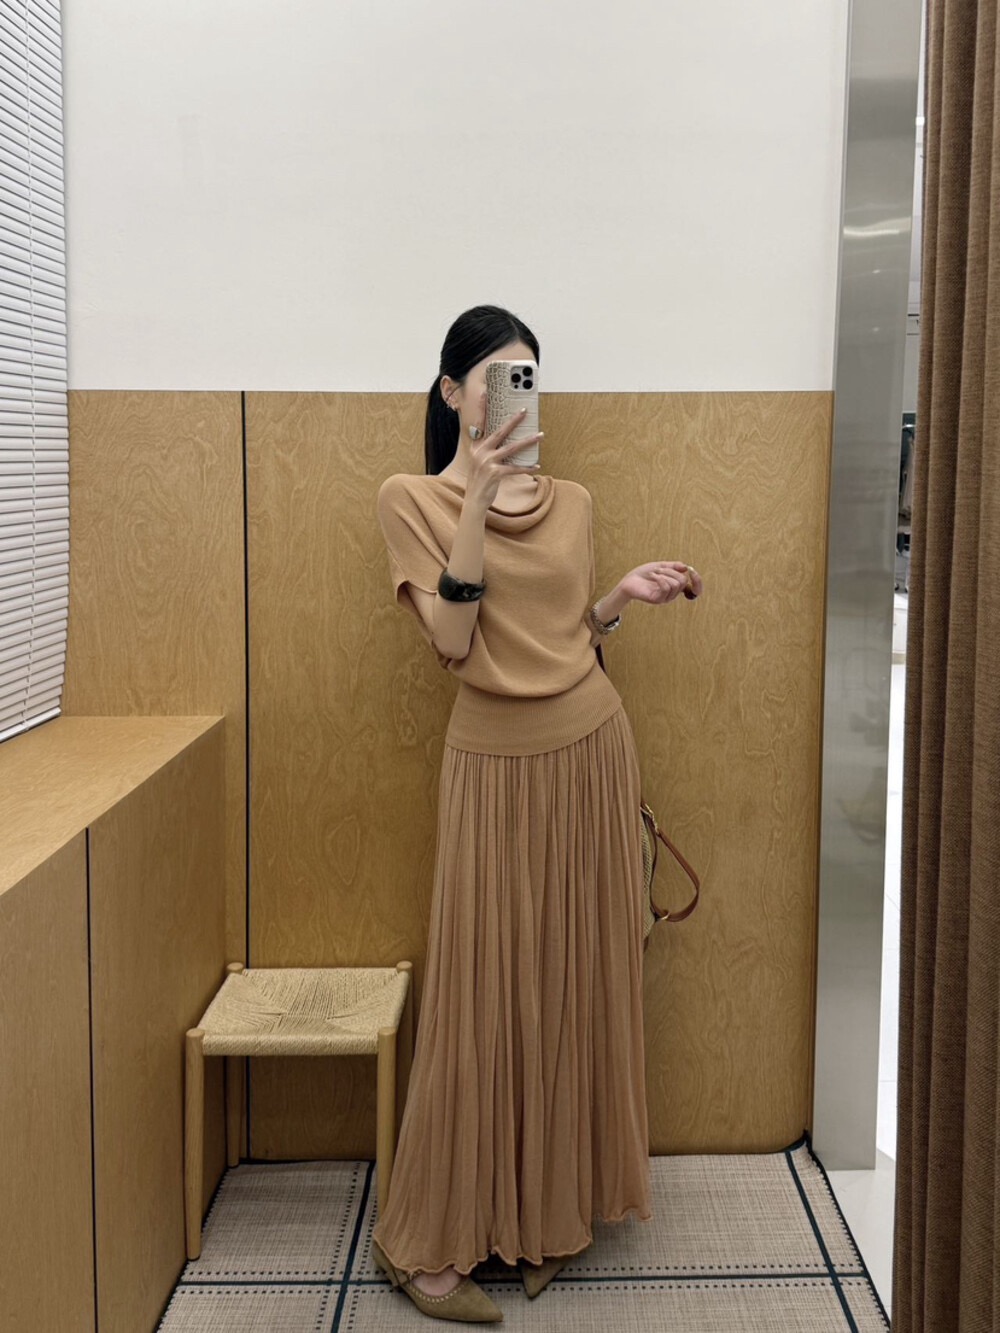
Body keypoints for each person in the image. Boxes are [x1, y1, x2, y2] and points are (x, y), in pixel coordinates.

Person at [371, 305, 703, 1323]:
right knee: (482, 992)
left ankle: (546, 1215)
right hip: (490, 766)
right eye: (495, 376)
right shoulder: (411, 499)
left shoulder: (575, 501)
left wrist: (615, 598)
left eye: (527, 376)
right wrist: (477, 495)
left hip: (591, 748)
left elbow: (563, 636)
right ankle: (427, 1242)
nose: (513, 393)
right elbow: (455, 643)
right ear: (452, 392)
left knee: (572, 982)